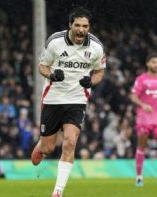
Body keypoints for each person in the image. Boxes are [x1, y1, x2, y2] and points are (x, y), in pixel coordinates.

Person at [30, 7, 106, 197]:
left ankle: (57, 192)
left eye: (85, 26)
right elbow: (42, 66)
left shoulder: (96, 47)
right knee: (48, 147)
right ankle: (41, 145)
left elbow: (99, 71)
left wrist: (91, 82)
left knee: (70, 142)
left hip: (77, 99)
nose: (81, 30)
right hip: (53, 98)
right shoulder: (55, 42)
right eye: (78, 25)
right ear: (70, 25)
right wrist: (53, 75)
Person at [130, 52, 157, 187]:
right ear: (148, 63)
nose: (156, 64)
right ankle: (139, 177)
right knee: (142, 146)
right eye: (153, 62)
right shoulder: (141, 79)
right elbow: (133, 97)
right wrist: (143, 105)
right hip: (144, 119)